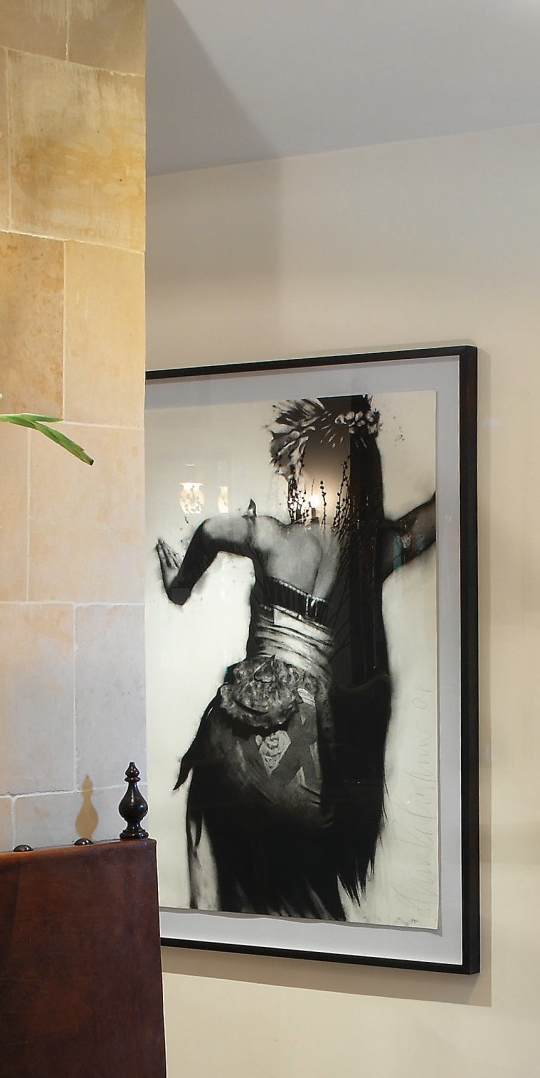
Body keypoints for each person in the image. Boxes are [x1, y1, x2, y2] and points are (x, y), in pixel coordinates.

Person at [156, 394, 435, 920]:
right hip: (309, 750)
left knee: (233, 893)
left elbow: (211, 530)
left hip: (233, 733)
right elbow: (424, 527)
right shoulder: (370, 553)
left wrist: (179, 584)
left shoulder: (272, 537)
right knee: (302, 894)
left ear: (307, 474)